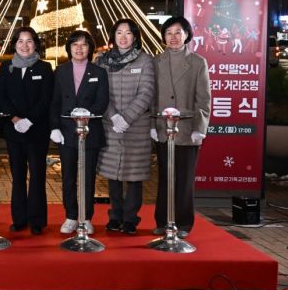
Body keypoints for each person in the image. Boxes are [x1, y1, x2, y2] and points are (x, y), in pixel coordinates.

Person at [151, 16, 211, 238]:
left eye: (178, 32)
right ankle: (162, 221)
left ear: (187, 35)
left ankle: (184, 223)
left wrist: (200, 127)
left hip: (187, 130)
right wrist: (152, 123)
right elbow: (152, 97)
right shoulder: (156, 62)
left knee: (184, 179)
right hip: (163, 128)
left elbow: (204, 99)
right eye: (168, 33)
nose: (173, 37)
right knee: (165, 177)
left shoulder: (197, 62)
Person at [95, 19, 155, 234]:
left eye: (128, 33)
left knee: (134, 175)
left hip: (136, 126)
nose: (123, 37)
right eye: (119, 32)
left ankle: (130, 218)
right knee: (113, 174)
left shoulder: (145, 61)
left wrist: (127, 117)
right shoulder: (102, 61)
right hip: (110, 124)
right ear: (113, 36)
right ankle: (115, 216)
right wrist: (113, 117)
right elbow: (99, 92)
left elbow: (146, 93)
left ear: (135, 37)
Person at [49, 30, 109, 235]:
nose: (79, 48)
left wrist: (89, 112)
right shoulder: (60, 71)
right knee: (68, 177)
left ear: (90, 48)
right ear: (69, 48)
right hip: (66, 132)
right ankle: (71, 216)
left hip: (90, 131)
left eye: (84, 44)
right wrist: (54, 127)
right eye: (75, 44)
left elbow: (103, 101)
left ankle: (86, 217)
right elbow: (54, 101)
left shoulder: (99, 72)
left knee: (88, 177)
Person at [0, 26, 54, 235]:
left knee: (37, 175)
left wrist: (29, 119)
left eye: (29, 41)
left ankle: (37, 220)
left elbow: (46, 99)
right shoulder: (6, 67)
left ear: (35, 44)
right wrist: (14, 119)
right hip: (13, 131)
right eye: (20, 41)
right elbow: (0, 97)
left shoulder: (45, 68)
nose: (25, 45)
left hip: (37, 131)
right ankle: (19, 218)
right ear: (14, 44)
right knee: (17, 176)